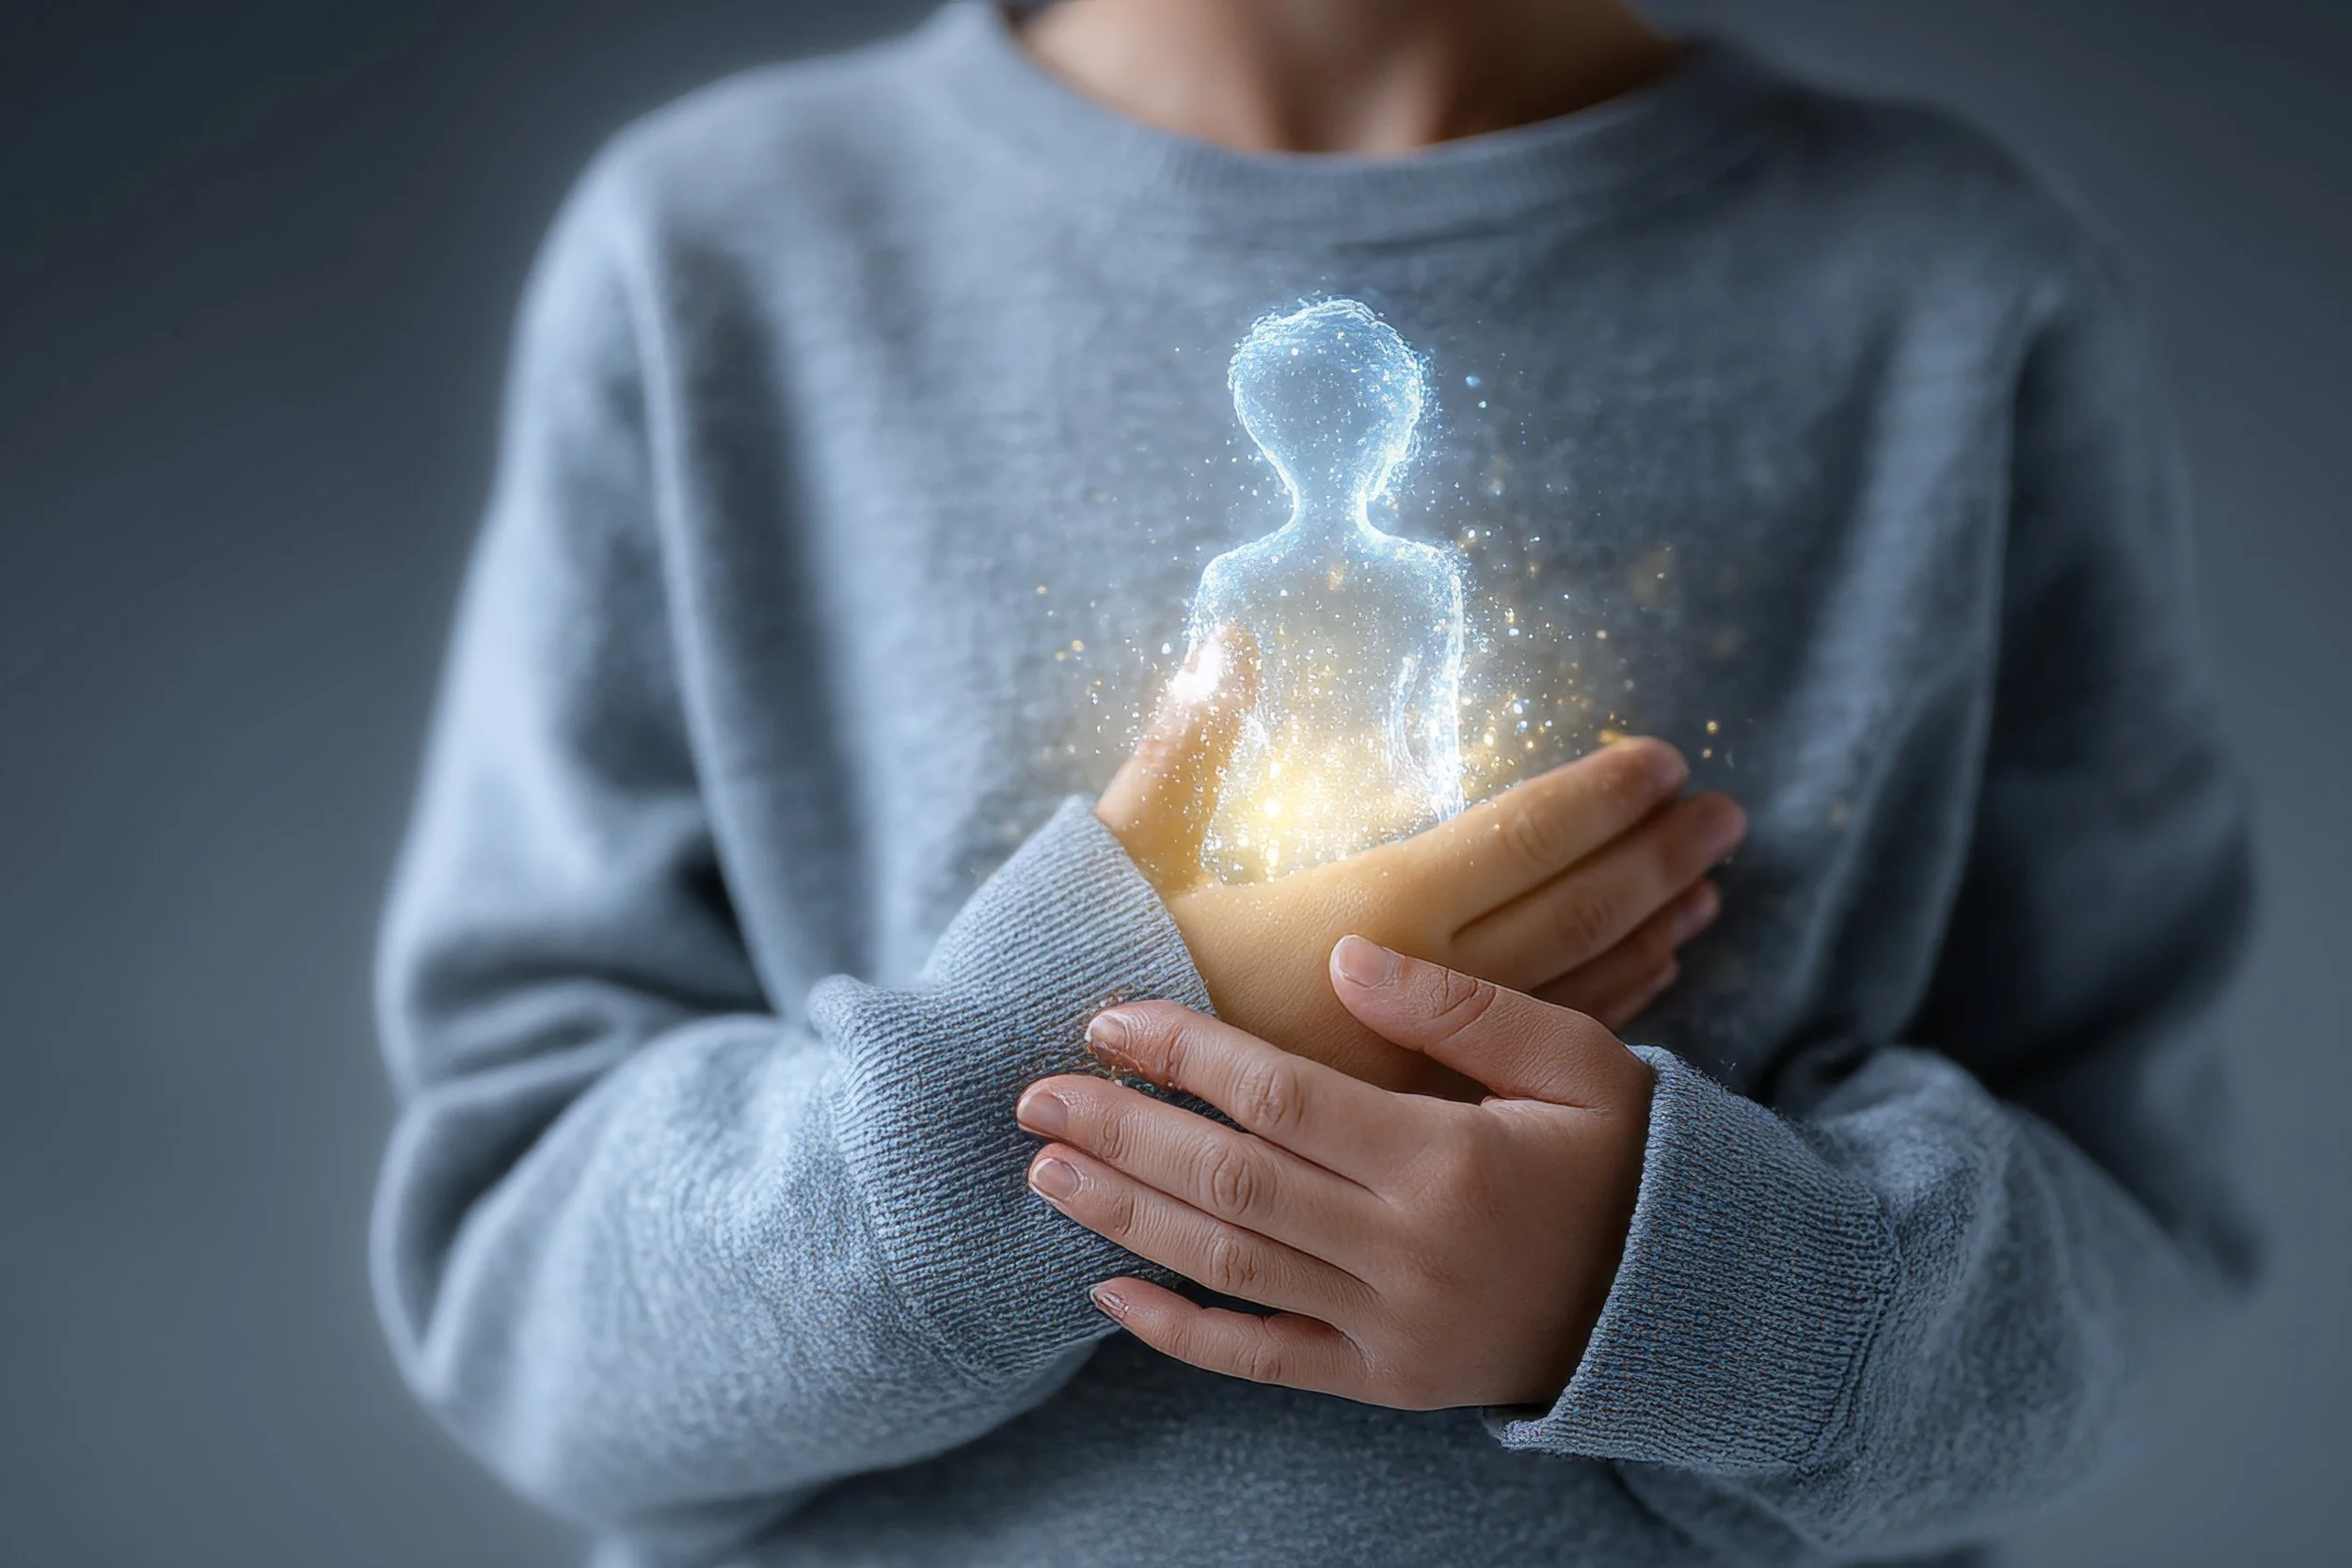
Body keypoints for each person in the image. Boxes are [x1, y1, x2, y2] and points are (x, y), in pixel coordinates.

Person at [369, 0, 2255, 1563]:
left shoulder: (1954, 282)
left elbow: (2136, 1241)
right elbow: (515, 1296)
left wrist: (1657, 1286)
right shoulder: (718, 255)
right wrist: (1107, 1072)